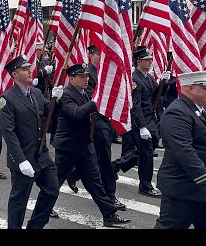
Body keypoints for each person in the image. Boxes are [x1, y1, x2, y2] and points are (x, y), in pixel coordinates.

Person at [54, 62, 131, 228]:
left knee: (95, 182)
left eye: (87, 76)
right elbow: (78, 114)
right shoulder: (66, 94)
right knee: (55, 181)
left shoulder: (84, 94)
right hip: (68, 147)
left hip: (85, 146)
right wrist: (96, 101)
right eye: (82, 76)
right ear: (72, 79)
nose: (86, 79)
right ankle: (45, 207)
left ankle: (109, 215)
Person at [154, 70, 206, 229]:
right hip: (182, 191)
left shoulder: (201, 108)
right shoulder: (177, 113)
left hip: (204, 191)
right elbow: (184, 152)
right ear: (189, 88)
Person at [0, 55, 63, 228]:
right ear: (14, 75)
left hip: (41, 155)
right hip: (24, 158)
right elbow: (9, 133)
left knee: (52, 190)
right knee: (19, 201)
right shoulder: (7, 99)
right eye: (24, 69)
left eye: (29, 68)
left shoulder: (35, 92)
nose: (29, 71)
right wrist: (20, 160)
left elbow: (48, 112)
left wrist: (57, 100)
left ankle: (35, 226)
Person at [114, 46, 163, 198]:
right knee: (147, 153)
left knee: (147, 148)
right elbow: (135, 106)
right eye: (147, 60)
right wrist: (141, 127)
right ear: (139, 61)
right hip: (140, 120)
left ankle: (116, 165)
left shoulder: (148, 77)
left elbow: (157, 95)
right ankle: (145, 186)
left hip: (151, 119)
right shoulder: (135, 79)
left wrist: (165, 83)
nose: (150, 62)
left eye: (151, 60)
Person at [84, 44, 125, 210]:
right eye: (100, 54)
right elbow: (90, 98)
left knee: (96, 159)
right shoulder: (89, 74)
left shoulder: (105, 73)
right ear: (92, 55)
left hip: (106, 120)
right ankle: (110, 196)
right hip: (97, 121)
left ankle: (74, 174)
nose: (103, 58)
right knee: (105, 161)